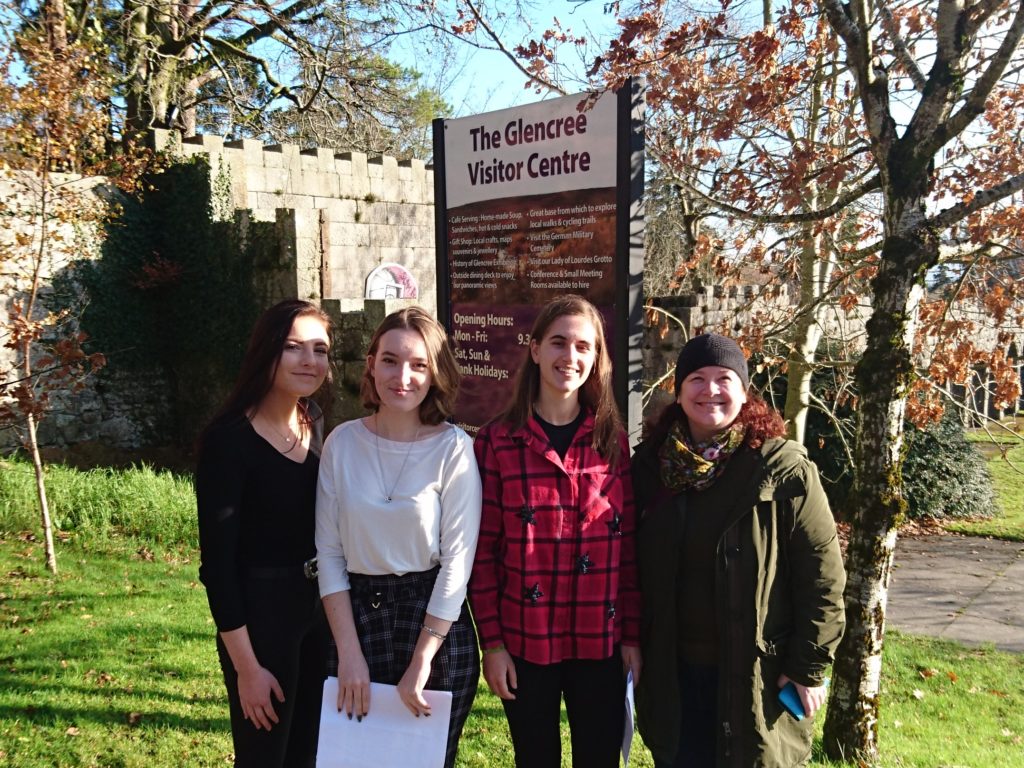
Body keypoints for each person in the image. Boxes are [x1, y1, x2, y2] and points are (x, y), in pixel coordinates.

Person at [631, 333, 847, 768]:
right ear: (678, 387)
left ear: (744, 391)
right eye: (697, 378)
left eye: (724, 378)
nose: (710, 390)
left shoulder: (781, 470)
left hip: (757, 677)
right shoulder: (650, 467)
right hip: (674, 676)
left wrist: (808, 666)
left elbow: (823, 577)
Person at [468, 294, 642, 768]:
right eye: (559, 343)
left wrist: (631, 639)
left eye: (583, 346)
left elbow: (627, 552)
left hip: (599, 642)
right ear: (535, 349)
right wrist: (494, 646)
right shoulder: (496, 443)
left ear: (596, 358)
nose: (571, 357)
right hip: (526, 642)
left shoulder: (612, 444)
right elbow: (481, 555)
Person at [315, 306, 482, 768]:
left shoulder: (454, 449)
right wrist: (349, 654)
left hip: (433, 624)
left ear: (435, 373)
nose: (402, 376)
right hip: (356, 621)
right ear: (371, 363)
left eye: (418, 364)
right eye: (390, 360)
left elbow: (457, 563)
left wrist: (423, 659)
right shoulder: (342, 444)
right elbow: (328, 554)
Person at [196, 299, 334, 767]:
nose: (309, 360)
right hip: (262, 619)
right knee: (264, 758)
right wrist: (247, 668)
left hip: (319, 611)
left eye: (320, 349)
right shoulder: (228, 440)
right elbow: (217, 567)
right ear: (266, 351)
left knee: (312, 754)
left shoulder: (314, 420)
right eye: (294, 347)